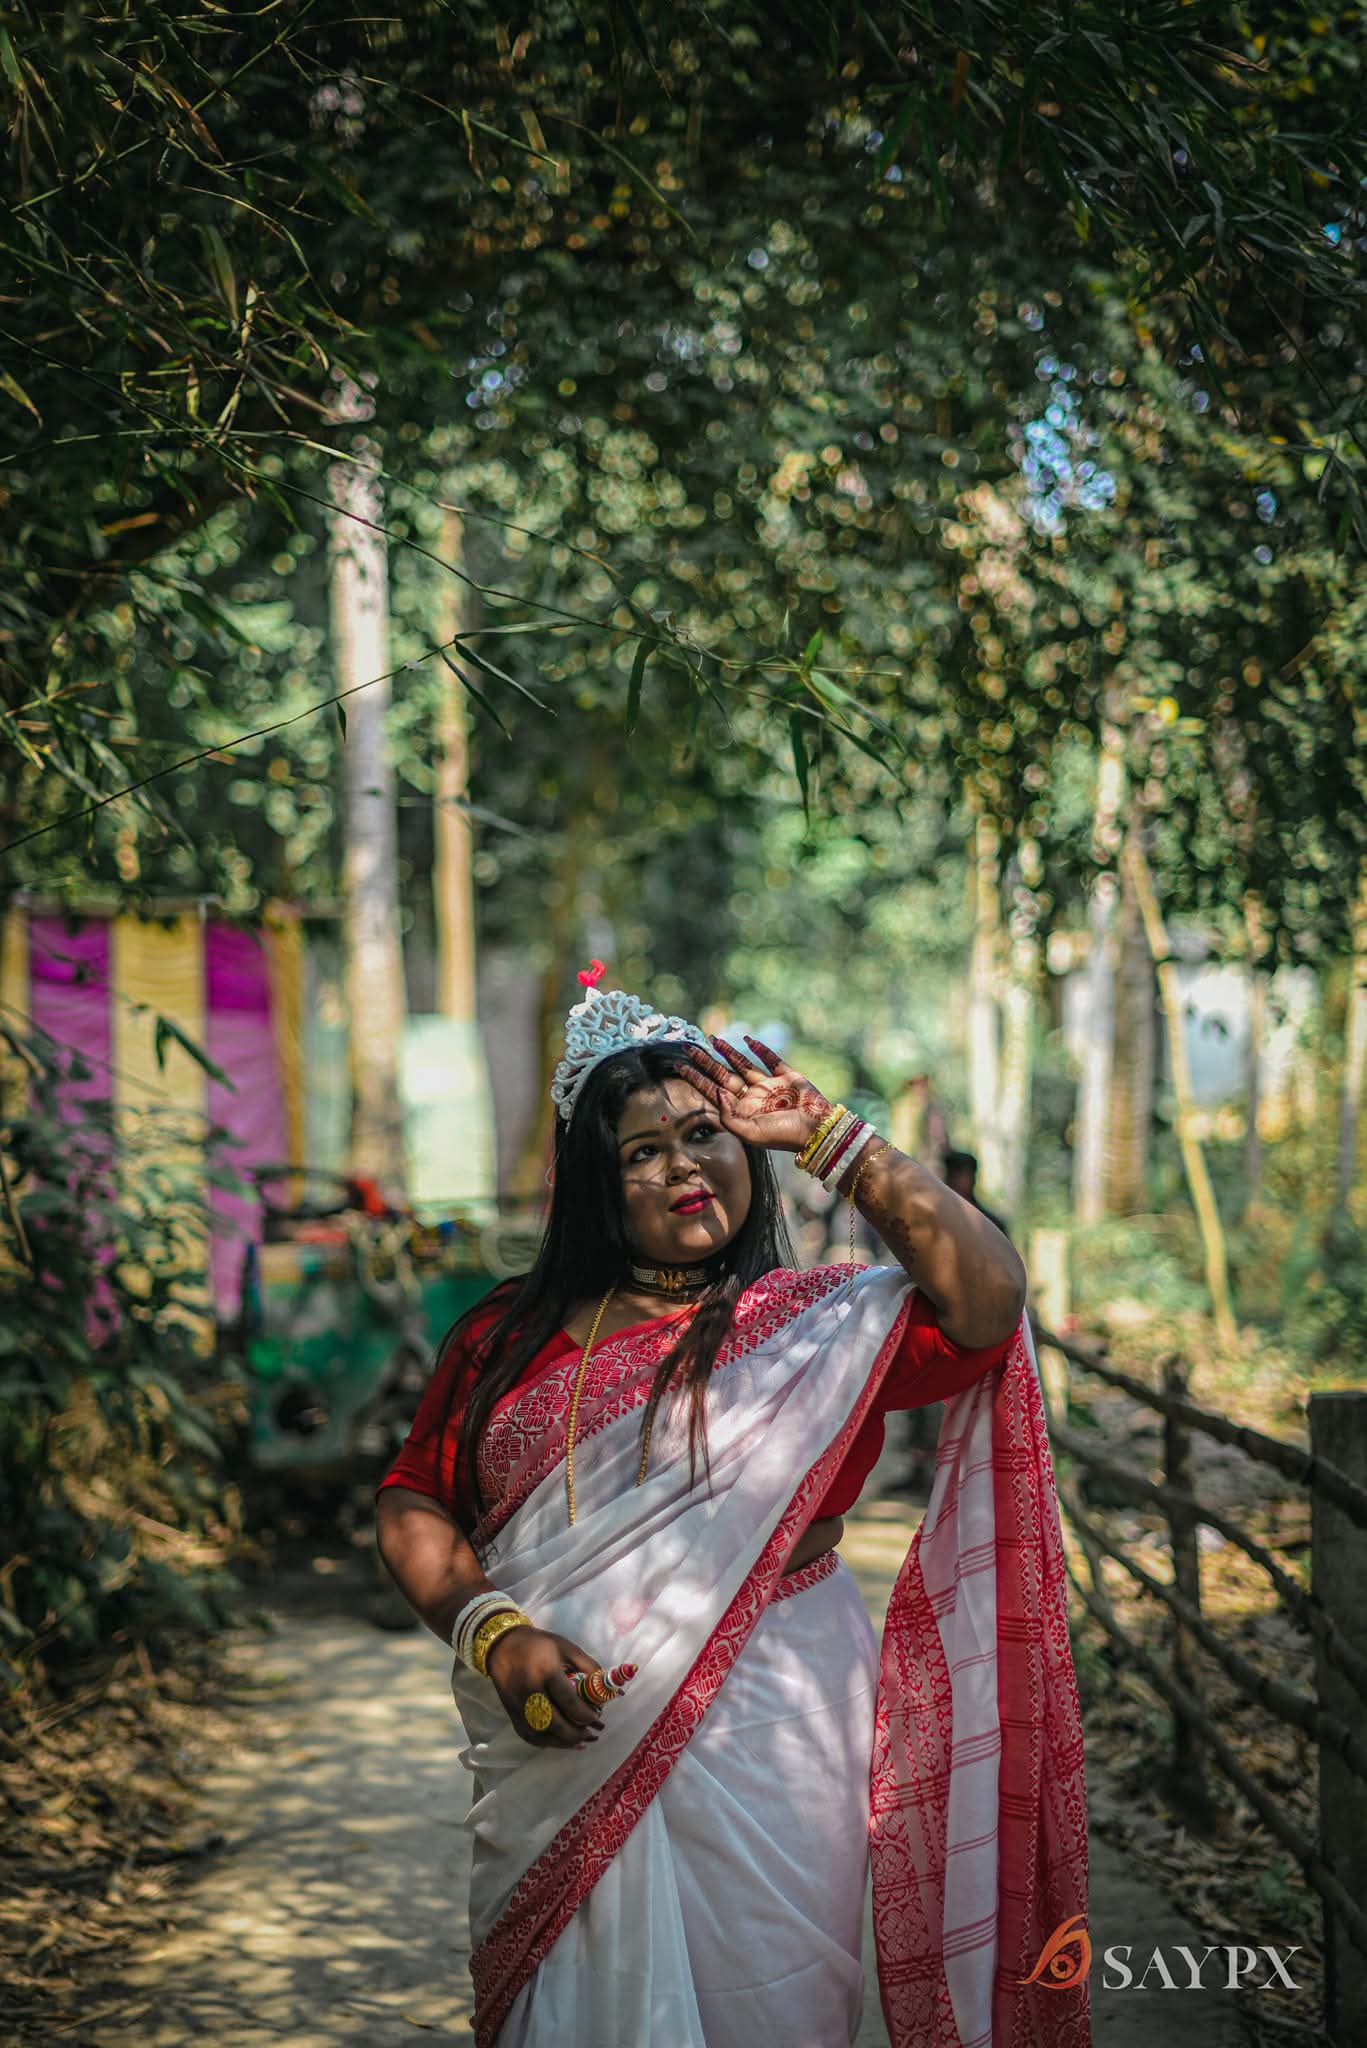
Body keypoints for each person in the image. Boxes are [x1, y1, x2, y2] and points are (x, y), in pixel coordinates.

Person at [375, 968, 1088, 2048]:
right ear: (596, 1186)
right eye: (641, 1150)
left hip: (778, 1715)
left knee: (770, 1999)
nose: (683, 1166)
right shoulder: (502, 1336)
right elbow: (415, 1498)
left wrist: (830, 1138)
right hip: (552, 1730)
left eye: (705, 1133)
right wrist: (496, 1633)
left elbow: (986, 1300)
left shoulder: (817, 1330)